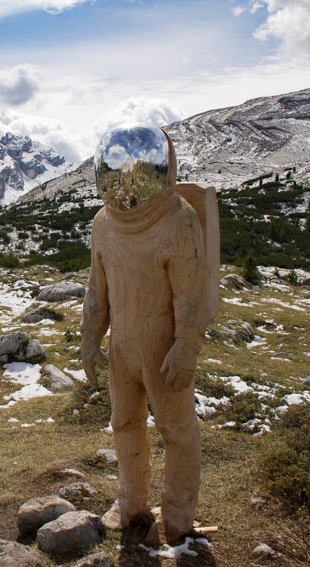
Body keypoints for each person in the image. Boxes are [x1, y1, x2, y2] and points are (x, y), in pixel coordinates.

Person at [80, 125, 218, 546]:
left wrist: (185, 347)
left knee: (176, 430)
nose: (125, 186)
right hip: (122, 344)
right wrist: (89, 338)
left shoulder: (177, 220)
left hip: (164, 344)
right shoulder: (104, 224)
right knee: (124, 422)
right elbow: (96, 289)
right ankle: (131, 500)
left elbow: (191, 294)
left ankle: (177, 514)